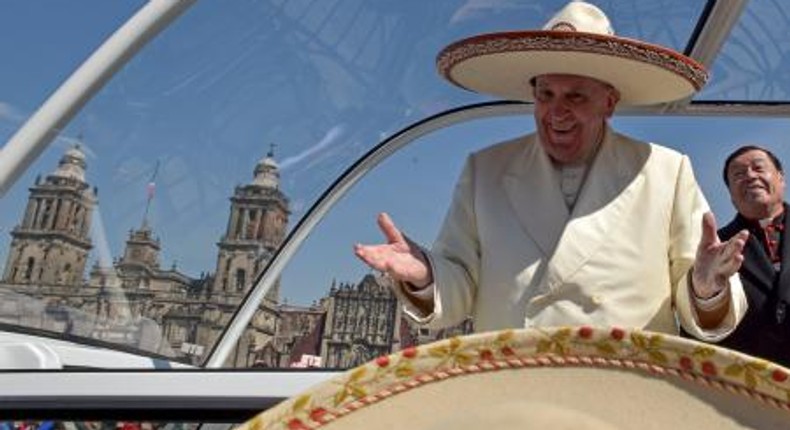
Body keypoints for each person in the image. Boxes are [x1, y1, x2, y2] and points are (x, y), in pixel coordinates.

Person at [354, 1, 749, 340]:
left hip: (626, 394)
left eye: (575, 95)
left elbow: (697, 296)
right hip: (517, 393)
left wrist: (706, 286)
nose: (556, 110)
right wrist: (424, 275)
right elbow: (458, 289)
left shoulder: (667, 170)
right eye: (546, 94)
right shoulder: (485, 170)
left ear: (608, 103)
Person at [717, 145, 790, 365]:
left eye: (758, 168)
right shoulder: (717, 247)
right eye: (738, 174)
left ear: (781, 178)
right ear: (730, 194)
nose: (749, 176)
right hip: (749, 378)